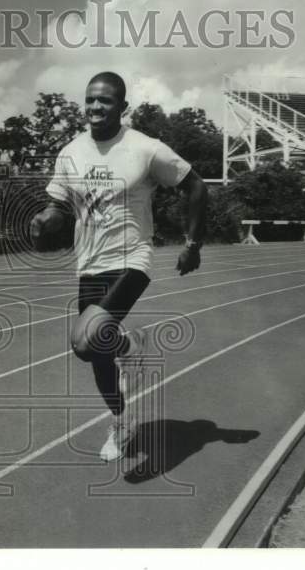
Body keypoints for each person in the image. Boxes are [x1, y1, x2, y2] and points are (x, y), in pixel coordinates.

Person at [30, 72, 208, 461]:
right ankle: (122, 418)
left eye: (106, 101)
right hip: (89, 263)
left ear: (122, 107)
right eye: (91, 99)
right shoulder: (70, 152)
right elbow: (59, 207)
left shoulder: (145, 148)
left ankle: (129, 346)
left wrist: (192, 243)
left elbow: (196, 185)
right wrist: (46, 219)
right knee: (94, 352)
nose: (96, 107)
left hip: (132, 258)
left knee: (83, 339)